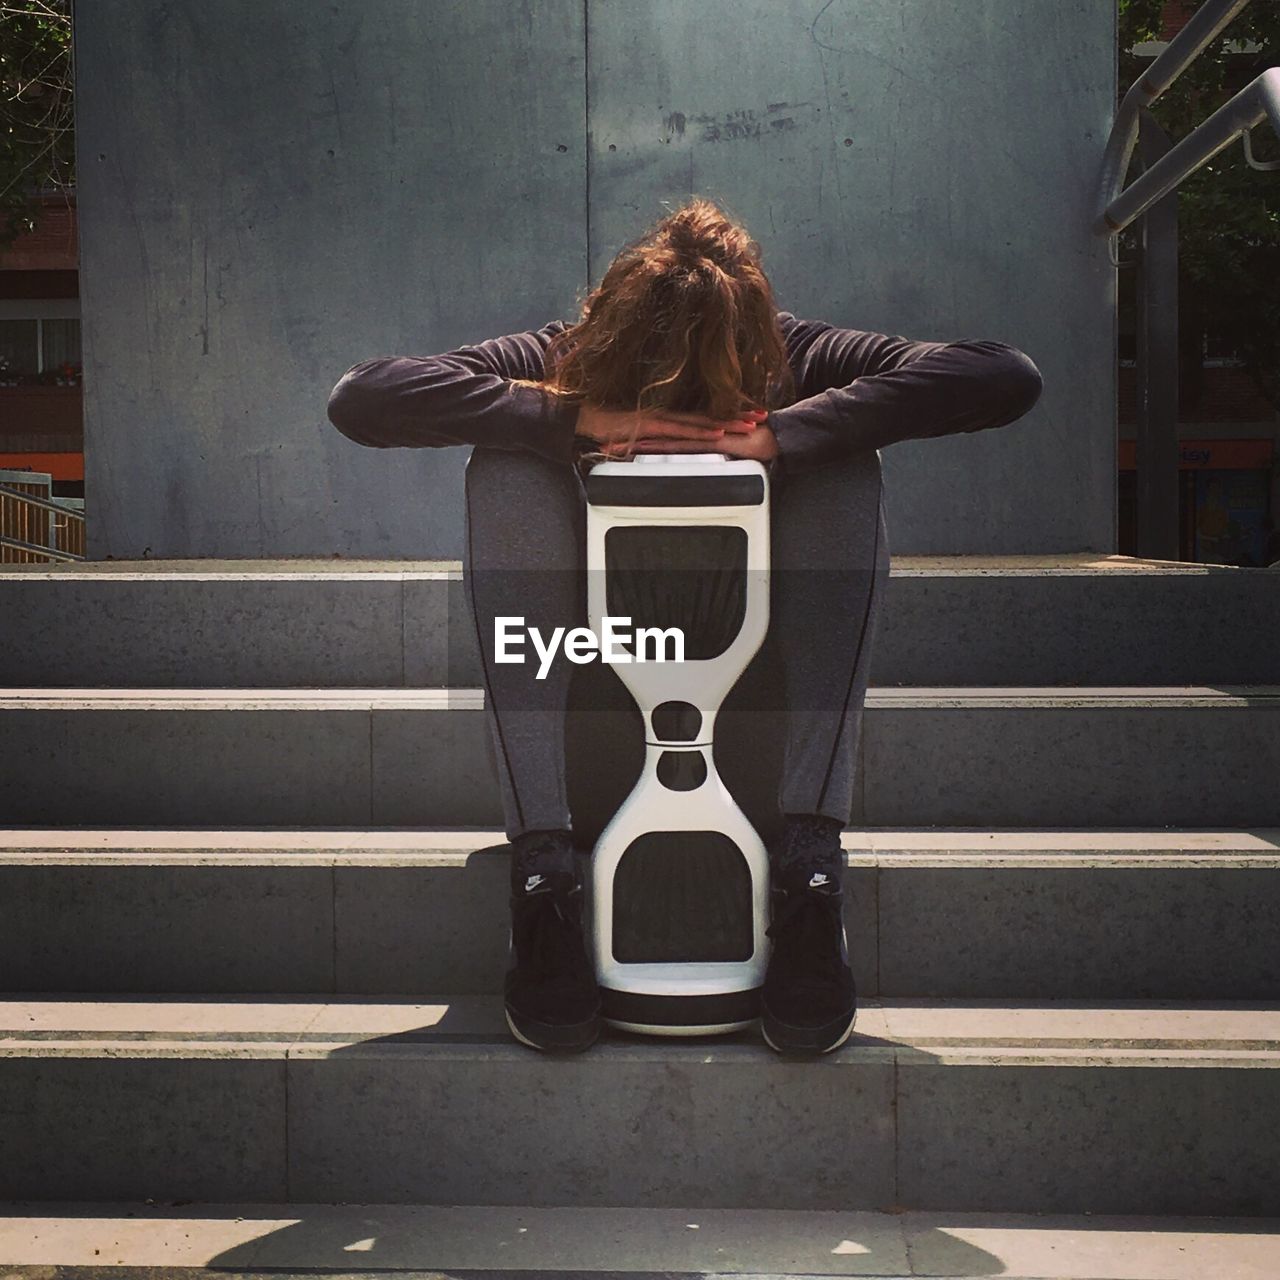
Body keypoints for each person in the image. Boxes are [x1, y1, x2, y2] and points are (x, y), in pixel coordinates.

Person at [326, 196, 1044, 1056]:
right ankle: (544, 881)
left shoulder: (797, 354)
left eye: (715, 384)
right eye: (660, 387)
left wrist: (786, 433)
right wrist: (570, 418)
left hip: (758, 710)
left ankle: (812, 878)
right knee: (504, 463)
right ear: (616, 343)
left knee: (849, 459)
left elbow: (1005, 374)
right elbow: (363, 398)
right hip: (590, 694)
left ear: (757, 349)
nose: (689, 405)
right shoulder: (567, 357)